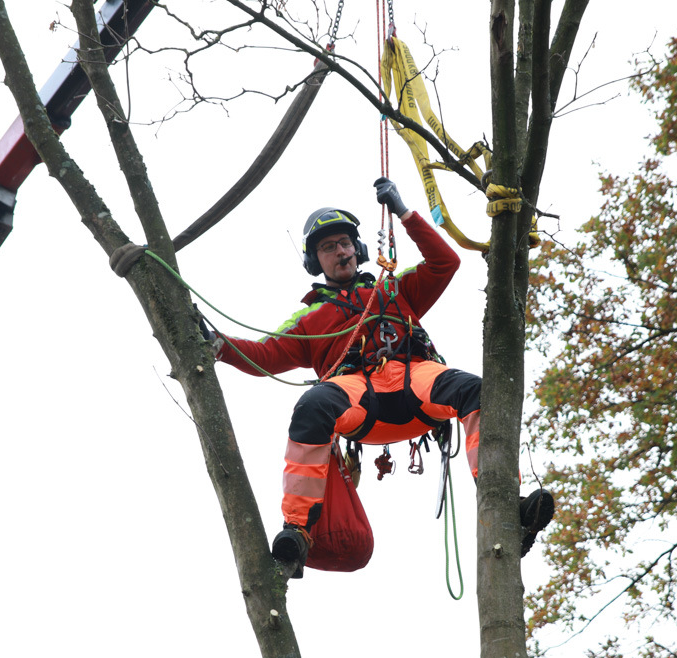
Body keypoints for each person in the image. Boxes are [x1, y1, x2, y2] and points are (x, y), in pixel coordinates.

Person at [210, 177, 553, 577]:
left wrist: (405, 213)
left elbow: (446, 263)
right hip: (359, 393)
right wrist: (217, 344)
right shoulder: (309, 318)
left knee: (476, 390)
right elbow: (263, 354)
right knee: (313, 405)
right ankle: (298, 530)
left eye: (344, 243)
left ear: (359, 249)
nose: (340, 251)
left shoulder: (393, 289)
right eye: (327, 247)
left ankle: (506, 507)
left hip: (415, 379)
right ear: (313, 261)